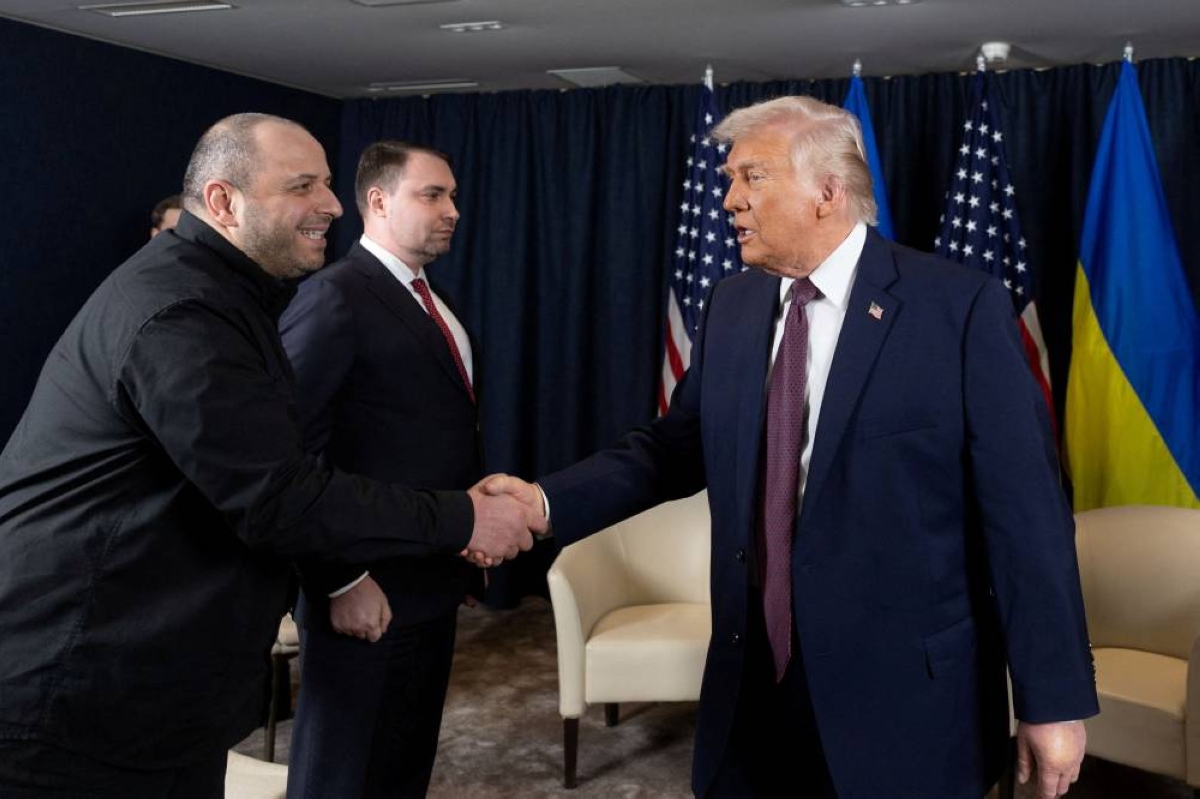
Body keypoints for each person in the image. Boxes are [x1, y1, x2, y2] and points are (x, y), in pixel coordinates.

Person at [484, 96, 1097, 799]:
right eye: (728, 180)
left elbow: (1028, 521)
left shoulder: (958, 309)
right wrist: (542, 501)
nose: (728, 200)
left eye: (751, 177)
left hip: (904, 704)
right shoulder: (734, 305)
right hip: (753, 684)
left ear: (827, 192)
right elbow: (671, 450)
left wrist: (1052, 701)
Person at [0, 113, 541, 797]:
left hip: (148, 682)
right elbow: (279, 494)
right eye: (303, 186)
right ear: (225, 202)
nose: (333, 204)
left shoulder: (229, 295)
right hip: (79, 690)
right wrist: (462, 518)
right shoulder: (182, 312)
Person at [280, 141, 480, 797]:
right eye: (433, 195)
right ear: (377, 200)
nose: (452, 210)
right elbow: (290, 458)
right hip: (363, 587)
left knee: (400, 767)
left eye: (452, 195)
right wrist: (338, 580)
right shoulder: (334, 298)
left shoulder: (432, 297)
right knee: (340, 775)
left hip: (428, 581)